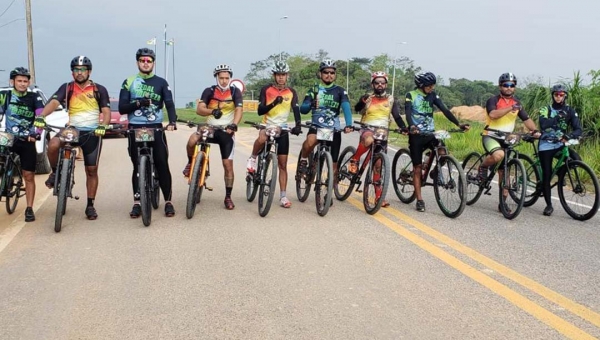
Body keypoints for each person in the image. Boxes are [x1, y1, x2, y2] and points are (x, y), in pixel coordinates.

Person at [34, 56, 111, 220]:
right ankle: (55, 173)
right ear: (72, 73)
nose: (80, 72)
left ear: (89, 71)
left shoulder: (99, 89)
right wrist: (42, 116)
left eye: (83, 69)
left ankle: (90, 205)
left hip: (91, 132)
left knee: (92, 170)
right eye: (76, 70)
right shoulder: (67, 88)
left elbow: (106, 111)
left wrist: (103, 125)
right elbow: (54, 102)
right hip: (72, 129)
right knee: (53, 144)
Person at [119, 48, 178, 218]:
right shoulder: (128, 82)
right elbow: (123, 107)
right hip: (135, 128)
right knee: (137, 165)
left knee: (162, 163)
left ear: (153, 63)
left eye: (149, 61)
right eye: (142, 60)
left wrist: (173, 121)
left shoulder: (161, 82)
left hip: (156, 127)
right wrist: (138, 104)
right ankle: (137, 203)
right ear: (137, 62)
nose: (146, 63)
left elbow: (169, 103)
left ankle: (168, 201)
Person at [405, 72, 469, 212]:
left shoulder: (433, 96)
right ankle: (419, 200)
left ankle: (434, 171)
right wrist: (411, 126)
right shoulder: (411, 95)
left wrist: (459, 124)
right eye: (429, 85)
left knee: (442, 151)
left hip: (430, 133)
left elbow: (445, 110)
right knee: (417, 168)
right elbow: (408, 112)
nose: (432, 88)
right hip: (416, 134)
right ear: (421, 85)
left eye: (433, 85)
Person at [183, 64, 243, 210]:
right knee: (192, 140)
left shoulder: (235, 92)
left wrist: (234, 124)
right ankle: (192, 163)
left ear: (230, 78)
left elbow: (239, 109)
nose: (224, 81)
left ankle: (228, 196)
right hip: (210, 127)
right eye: (221, 78)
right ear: (216, 77)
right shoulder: (209, 91)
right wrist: (212, 111)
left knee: (228, 165)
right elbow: (199, 109)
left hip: (226, 130)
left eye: (226, 78)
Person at [479, 72, 540, 212]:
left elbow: (527, 120)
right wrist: (510, 109)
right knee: (498, 155)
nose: (508, 88)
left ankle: (503, 202)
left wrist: (535, 131)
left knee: (504, 171)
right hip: (491, 135)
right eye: (505, 85)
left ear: (515, 87)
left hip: (507, 139)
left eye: (511, 85)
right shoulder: (493, 100)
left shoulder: (517, 103)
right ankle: (483, 166)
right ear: (500, 86)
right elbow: (493, 115)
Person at [245, 61, 302, 208]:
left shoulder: (291, 92)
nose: (281, 78)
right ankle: (253, 158)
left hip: (282, 128)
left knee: (282, 164)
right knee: (262, 137)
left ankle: (283, 196)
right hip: (267, 124)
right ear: (274, 76)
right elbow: (260, 110)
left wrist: (298, 125)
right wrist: (274, 103)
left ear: (287, 76)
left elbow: (295, 109)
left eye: (283, 75)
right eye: (278, 75)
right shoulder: (266, 89)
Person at [298, 59, 353, 201]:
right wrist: (310, 104)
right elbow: (303, 109)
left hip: (333, 129)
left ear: (335, 75)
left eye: (332, 73)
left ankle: (328, 193)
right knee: (310, 142)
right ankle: (304, 160)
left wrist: (348, 124)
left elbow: (346, 107)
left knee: (333, 164)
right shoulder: (314, 89)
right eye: (326, 72)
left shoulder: (340, 91)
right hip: (317, 126)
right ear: (320, 74)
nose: (329, 75)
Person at [352, 71, 407, 207]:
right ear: (373, 84)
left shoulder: (390, 99)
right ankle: (355, 159)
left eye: (382, 82)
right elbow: (357, 108)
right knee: (369, 141)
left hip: (382, 133)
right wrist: (361, 102)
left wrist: (404, 128)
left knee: (378, 166)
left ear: (386, 84)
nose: (380, 85)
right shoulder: (368, 98)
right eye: (377, 82)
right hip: (367, 129)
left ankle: (378, 197)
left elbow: (397, 116)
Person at [0, 67, 44, 222]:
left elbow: (40, 116)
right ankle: (6, 179)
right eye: (19, 81)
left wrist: (36, 133)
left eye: (25, 81)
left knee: (29, 175)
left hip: (27, 139)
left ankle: (29, 208)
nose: (22, 84)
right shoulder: (4, 95)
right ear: (12, 81)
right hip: (9, 137)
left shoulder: (34, 97)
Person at [537, 84, 582, 216]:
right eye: (556, 94)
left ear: (565, 96)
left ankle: (561, 173)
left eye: (561, 94)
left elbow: (578, 128)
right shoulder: (546, 109)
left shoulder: (570, 110)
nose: (558, 97)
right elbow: (543, 124)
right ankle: (549, 205)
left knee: (577, 160)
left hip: (560, 144)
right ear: (553, 95)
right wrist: (557, 117)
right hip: (546, 145)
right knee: (547, 174)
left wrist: (569, 136)